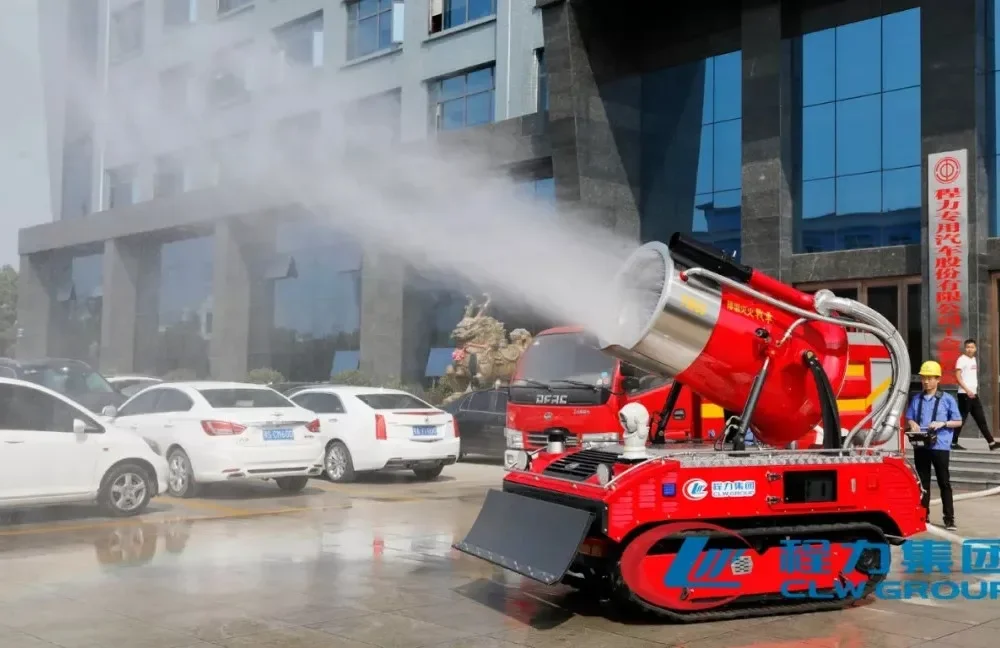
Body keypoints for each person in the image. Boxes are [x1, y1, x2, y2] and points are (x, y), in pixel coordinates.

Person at [906, 360, 962, 531]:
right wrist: (912, 423)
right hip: (922, 445)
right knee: (923, 483)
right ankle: (924, 515)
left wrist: (942, 424)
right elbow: (910, 417)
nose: (926, 381)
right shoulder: (916, 398)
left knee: (944, 482)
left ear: (938, 379)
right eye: (924, 378)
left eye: (930, 378)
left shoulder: (947, 399)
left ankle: (949, 518)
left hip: (940, 446)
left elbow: (958, 421)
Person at [953, 338, 1000, 451]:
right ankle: (953, 442)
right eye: (968, 347)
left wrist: (972, 391)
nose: (970, 349)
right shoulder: (961, 359)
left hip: (973, 394)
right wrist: (967, 390)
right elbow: (958, 377)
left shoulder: (973, 359)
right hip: (964, 394)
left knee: (980, 418)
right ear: (965, 348)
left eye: (972, 347)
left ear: (975, 348)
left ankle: (991, 443)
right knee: (961, 419)